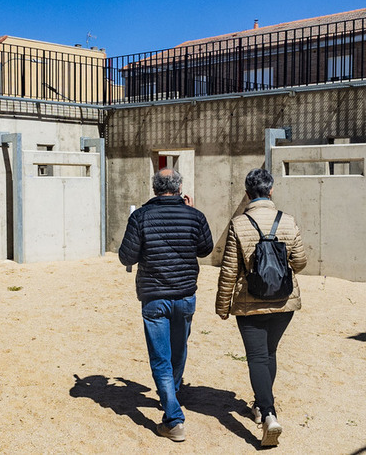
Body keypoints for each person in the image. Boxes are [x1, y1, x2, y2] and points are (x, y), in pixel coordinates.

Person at [118, 168, 213, 442]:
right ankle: (172, 399)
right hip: (184, 295)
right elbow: (205, 249)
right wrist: (191, 216)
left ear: (155, 187)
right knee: (178, 351)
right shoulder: (194, 216)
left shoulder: (140, 216)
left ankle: (173, 417)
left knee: (161, 358)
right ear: (179, 186)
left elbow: (127, 257)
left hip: (154, 297)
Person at [215, 168, 306, 447]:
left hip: (249, 302)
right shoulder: (288, 222)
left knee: (256, 357)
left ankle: (268, 413)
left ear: (246, 193)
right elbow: (300, 262)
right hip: (283, 301)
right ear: (271, 190)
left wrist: (222, 305)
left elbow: (229, 270)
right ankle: (260, 405)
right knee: (269, 353)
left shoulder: (238, 224)